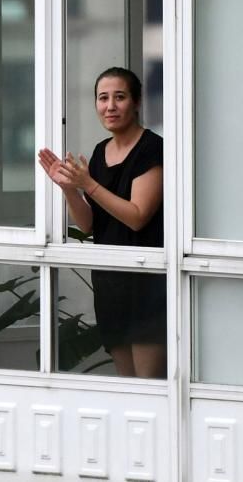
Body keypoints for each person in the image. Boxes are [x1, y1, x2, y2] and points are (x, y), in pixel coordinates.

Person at [38, 67, 166, 378]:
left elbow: (137, 216)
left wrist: (89, 184)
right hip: (109, 283)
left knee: (148, 387)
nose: (110, 106)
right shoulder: (99, 152)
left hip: (147, 283)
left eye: (119, 97)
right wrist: (70, 188)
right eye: (103, 98)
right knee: (125, 385)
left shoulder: (152, 148)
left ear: (136, 103)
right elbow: (88, 226)